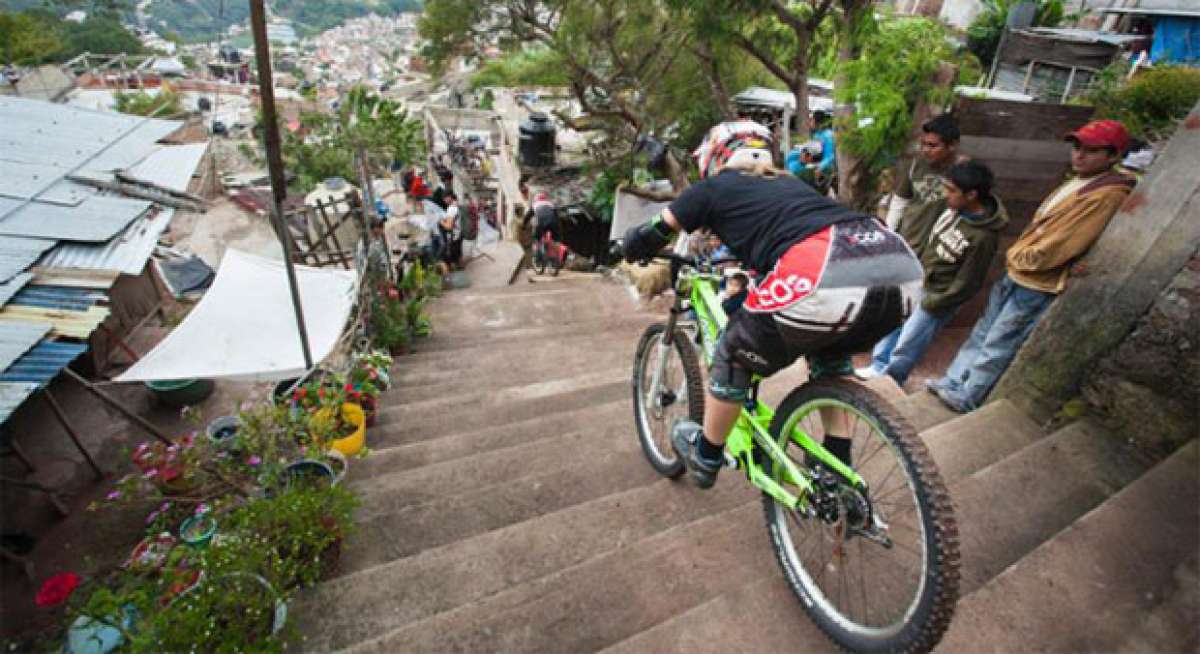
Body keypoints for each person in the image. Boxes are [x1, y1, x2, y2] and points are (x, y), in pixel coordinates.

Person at [622, 120, 923, 488]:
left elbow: (653, 231)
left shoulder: (712, 188)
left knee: (733, 351)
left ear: (717, 155)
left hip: (825, 267)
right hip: (899, 266)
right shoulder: (793, 185)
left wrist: (629, 246)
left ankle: (706, 456)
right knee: (830, 357)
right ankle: (836, 467)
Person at [927, 119, 1136, 413]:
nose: (1079, 154)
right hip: (1019, 272)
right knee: (984, 332)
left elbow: (1064, 243)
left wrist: (1020, 257)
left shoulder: (1107, 195)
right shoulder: (1081, 181)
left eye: (1091, 150)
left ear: (1113, 156)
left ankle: (969, 393)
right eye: (1077, 147)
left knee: (999, 340)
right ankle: (953, 381)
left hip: (1036, 281)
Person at [858, 161, 1008, 385]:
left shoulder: (984, 237)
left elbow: (969, 281)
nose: (945, 195)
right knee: (893, 324)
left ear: (971, 195)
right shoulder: (953, 211)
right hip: (920, 280)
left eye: (951, 191)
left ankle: (891, 380)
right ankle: (878, 365)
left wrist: (938, 302)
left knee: (909, 341)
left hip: (939, 296)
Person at [885, 114, 968, 251]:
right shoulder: (915, 164)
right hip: (908, 242)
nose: (925, 150)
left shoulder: (965, 172)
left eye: (932, 145)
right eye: (923, 144)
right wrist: (888, 235)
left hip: (938, 250)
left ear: (952, 145)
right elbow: (900, 201)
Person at [808, 110, 837, 193]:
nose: (810, 122)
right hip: (816, 166)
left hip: (826, 169)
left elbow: (830, 156)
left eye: (811, 120)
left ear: (815, 121)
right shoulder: (816, 135)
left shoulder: (827, 135)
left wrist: (820, 167)